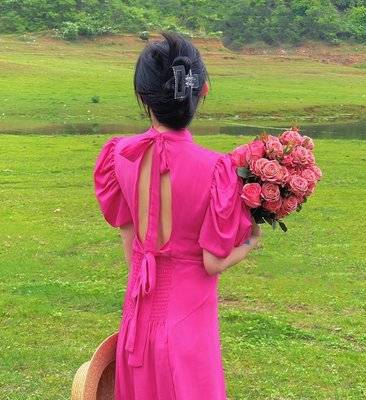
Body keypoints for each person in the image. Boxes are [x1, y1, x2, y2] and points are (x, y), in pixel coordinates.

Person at [93, 31, 262, 400]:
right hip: (189, 325)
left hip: (138, 319)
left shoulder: (119, 155)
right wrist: (250, 242)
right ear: (203, 91)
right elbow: (213, 261)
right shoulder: (216, 170)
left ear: (143, 97)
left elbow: (130, 248)